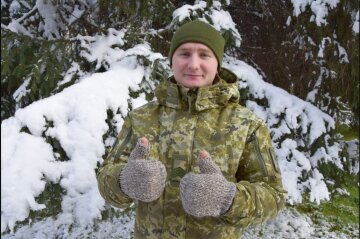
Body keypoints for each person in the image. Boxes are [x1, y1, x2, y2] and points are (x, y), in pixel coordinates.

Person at [97, 20, 287, 239]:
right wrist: (123, 181)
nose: (193, 64)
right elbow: (105, 178)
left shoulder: (246, 125)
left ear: (217, 63)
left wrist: (227, 198)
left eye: (204, 55)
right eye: (184, 54)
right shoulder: (140, 118)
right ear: (172, 60)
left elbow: (274, 197)